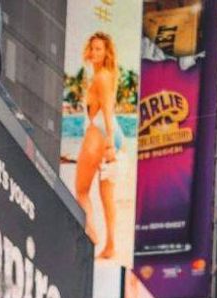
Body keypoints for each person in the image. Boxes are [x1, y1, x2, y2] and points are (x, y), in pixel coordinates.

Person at [75, 32, 123, 259]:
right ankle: (110, 245)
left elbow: (107, 109)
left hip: (101, 133)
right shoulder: (108, 74)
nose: (94, 53)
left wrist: (109, 142)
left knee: (81, 191)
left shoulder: (102, 77)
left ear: (106, 53)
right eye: (92, 48)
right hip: (110, 134)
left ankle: (92, 236)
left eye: (99, 49)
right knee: (107, 196)